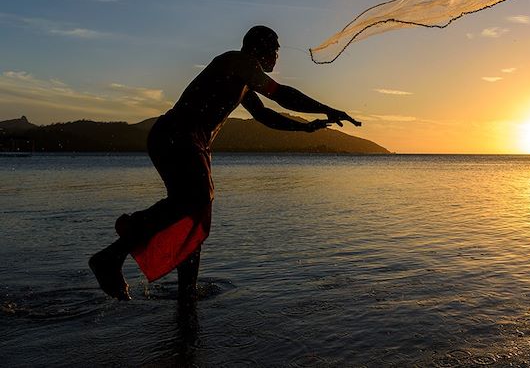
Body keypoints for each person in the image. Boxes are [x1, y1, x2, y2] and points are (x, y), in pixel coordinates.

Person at [89, 25, 360, 301]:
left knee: (194, 215)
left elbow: (265, 115)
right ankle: (115, 252)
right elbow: (281, 95)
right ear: (260, 48)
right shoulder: (236, 61)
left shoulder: (243, 78)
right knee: (198, 198)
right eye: (276, 49)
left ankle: (186, 293)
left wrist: (305, 128)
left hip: (187, 140)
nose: (277, 57)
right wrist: (328, 108)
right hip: (178, 135)